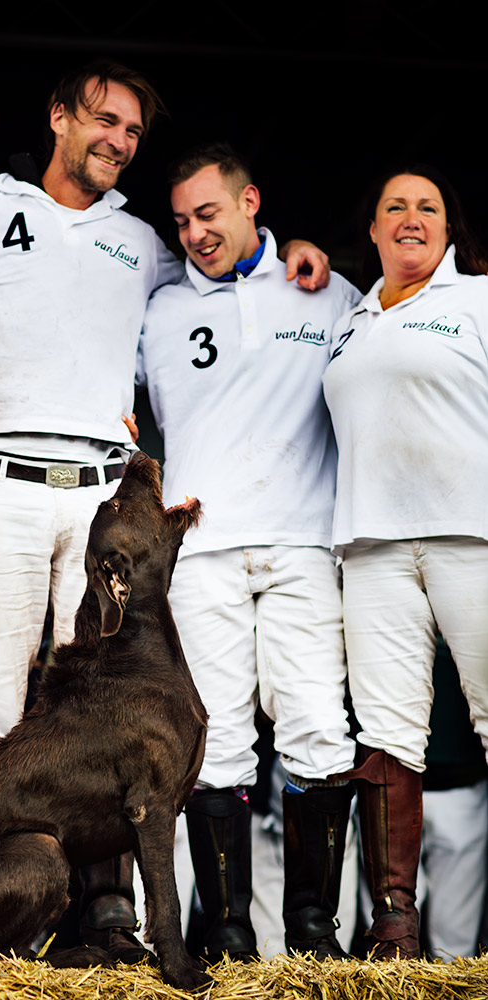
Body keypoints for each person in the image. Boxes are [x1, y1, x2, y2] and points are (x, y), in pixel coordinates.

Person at [0, 61, 331, 960]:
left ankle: (96, 921)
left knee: (105, 720)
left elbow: (229, 272)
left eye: (132, 133)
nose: (116, 141)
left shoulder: (143, 242)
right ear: (60, 117)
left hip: (104, 508)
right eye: (102, 121)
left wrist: (296, 247)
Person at [138, 142, 360, 961]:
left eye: (209, 213)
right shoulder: (157, 308)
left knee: (316, 732)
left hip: (303, 541)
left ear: (251, 201)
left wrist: (314, 251)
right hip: (199, 550)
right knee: (216, 742)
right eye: (182, 221)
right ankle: (228, 940)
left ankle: (311, 938)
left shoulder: (327, 290)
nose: (196, 232)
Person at [322, 165, 488, 959]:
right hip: (372, 544)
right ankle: (394, 931)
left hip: (472, 536)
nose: (412, 217)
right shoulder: (348, 318)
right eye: (396, 206)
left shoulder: (478, 301)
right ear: (374, 229)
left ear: (448, 229)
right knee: (386, 736)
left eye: (429, 206)